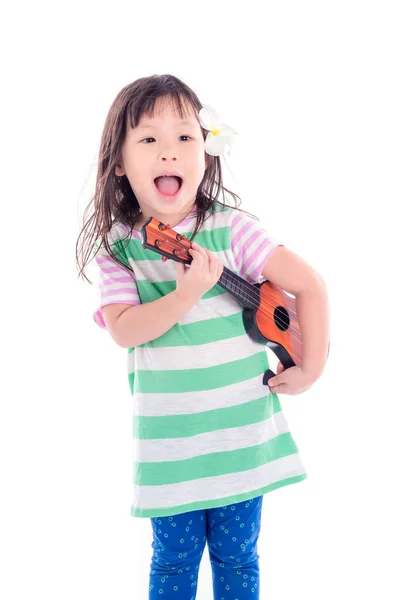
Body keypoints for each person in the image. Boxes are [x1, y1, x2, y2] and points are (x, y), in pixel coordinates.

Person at [76, 73, 330, 600]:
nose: (169, 153)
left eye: (185, 138)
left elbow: (309, 283)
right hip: (171, 448)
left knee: (238, 558)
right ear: (120, 162)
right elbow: (124, 330)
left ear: (206, 154)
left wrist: (312, 365)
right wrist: (185, 294)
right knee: (172, 563)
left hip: (241, 438)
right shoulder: (121, 249)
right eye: (149, 139)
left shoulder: (232, 230)